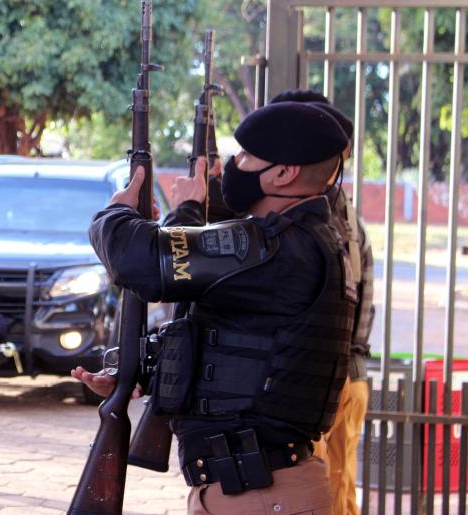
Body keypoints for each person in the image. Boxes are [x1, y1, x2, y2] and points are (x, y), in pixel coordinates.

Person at [73, 101, 357, 514]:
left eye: (245, 157)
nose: (234, 167)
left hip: (260, 493)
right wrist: (142, 373)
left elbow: (143, 262)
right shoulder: (303, 242)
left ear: (283, 173)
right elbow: (239, 348)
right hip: (254, 488)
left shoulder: (279, 248)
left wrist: (119, 212)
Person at [272, 89, 374, 515]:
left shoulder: (317, 216)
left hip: (323, 382)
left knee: (325, 497)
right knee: (336, 494)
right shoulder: (339, 211)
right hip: (342, 378)